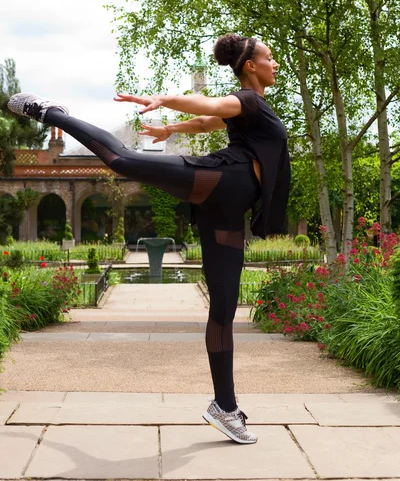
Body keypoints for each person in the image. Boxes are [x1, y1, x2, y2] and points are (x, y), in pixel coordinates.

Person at [8, 33, 291, 444]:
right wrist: (163, 98)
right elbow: (210, 107)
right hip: (221, 182)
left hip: (228, 212)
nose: (275, 63)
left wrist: (168, 129)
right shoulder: (246, 100)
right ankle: (51, 112)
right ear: (251, 66)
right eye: (270, 57)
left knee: (224, 310)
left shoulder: (252, 108)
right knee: (121, 160)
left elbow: (208, 121)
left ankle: (225, 408)